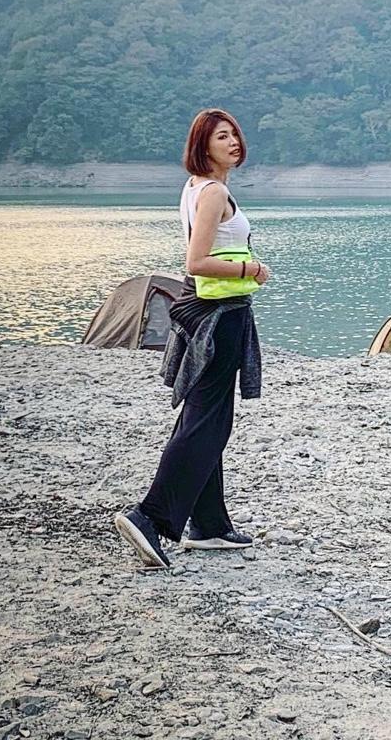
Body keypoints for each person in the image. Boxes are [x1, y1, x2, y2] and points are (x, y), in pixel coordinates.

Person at [114, 108, 270, 568]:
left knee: (205, 415)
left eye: (235, 134)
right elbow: (196, 261)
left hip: (209, 312)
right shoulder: (214, 192)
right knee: (207, 420)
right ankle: (151, 516)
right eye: (222, 136)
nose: (233, 142)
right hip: (219, 316)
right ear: (203, 146)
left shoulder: (196, 188)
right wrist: (251, 268)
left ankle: (209, 524)